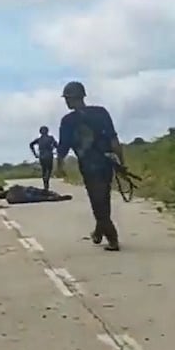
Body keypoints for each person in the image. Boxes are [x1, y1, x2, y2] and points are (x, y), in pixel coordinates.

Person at [56, 81, 122, 251]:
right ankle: (99, 231)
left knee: (97, 201)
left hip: (89, 165)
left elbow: (63, 146)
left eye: (67, 98)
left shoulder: (68, 121)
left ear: (71, 99)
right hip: (107, 163)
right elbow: (114, 140)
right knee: (103, 199)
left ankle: (112, 237)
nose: (67, 102)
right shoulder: (101, 113)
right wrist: (122, 163)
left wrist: (59, 166)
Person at [30, 126, 59, 191]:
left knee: (44, 170)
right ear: (47, 131)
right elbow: (56, 145)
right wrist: (57, 151)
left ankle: (45, 183)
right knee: (49, 169)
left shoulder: (39, 139)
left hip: (42, 155)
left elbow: (31, 144)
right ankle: (46, 181)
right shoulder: (51, 138)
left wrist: (35, 153)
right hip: (48, 154)